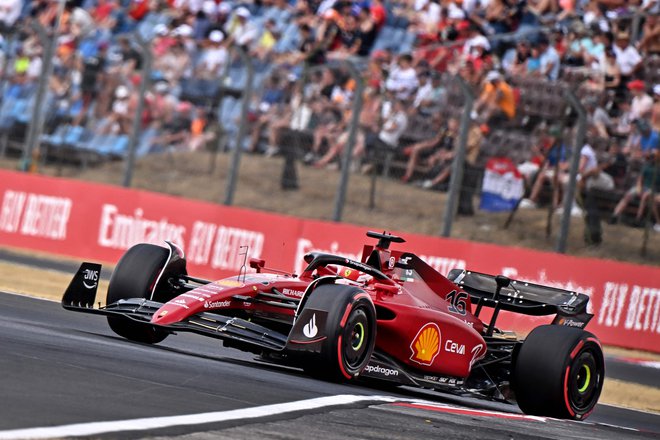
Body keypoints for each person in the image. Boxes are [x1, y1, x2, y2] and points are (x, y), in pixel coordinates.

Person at [609, 154, 660, 225]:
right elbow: (640, 179)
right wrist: (639, 188)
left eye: (654, 157)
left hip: (654, 190)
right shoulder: (646, 167)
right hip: (643, 187)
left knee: (645, 196)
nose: (652, 159)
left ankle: (638, 219)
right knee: (628, 195)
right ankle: (615, 215)